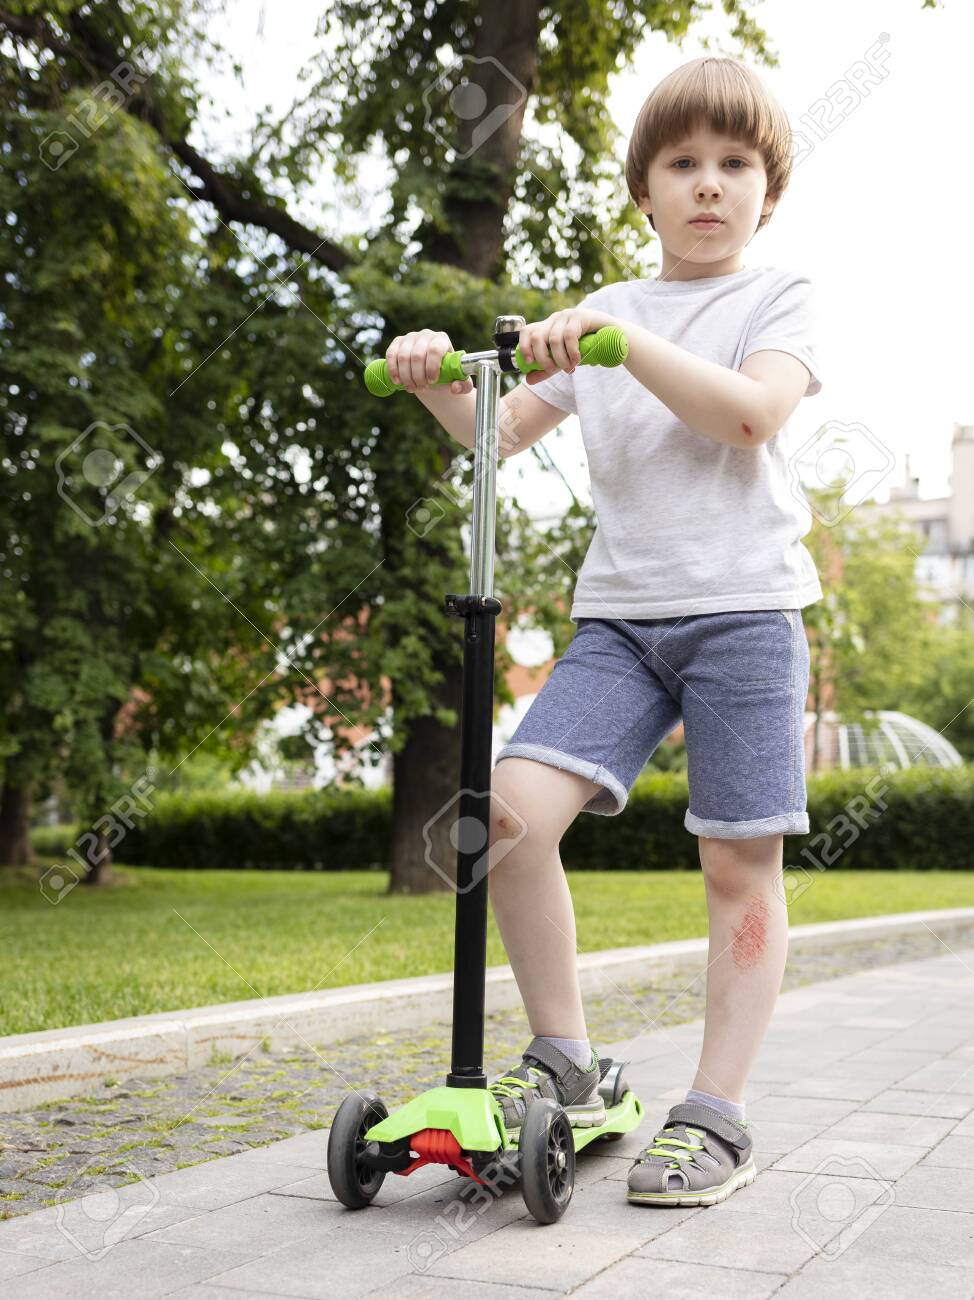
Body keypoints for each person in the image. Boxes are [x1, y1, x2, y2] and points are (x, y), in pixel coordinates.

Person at [386, 54, 822, 1208]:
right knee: (509, 814)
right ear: (645, 190)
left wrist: (614, 341)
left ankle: (714, 1113)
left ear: (763, 190)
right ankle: (567, 1061)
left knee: (737, 863)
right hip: (620, 625)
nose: (708, 184)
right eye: (681, 163)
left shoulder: (772, 300)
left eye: (733, 164)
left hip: (744, 614)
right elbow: (489, 441)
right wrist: (436, 376)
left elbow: (748, 415)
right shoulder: (608, 311)